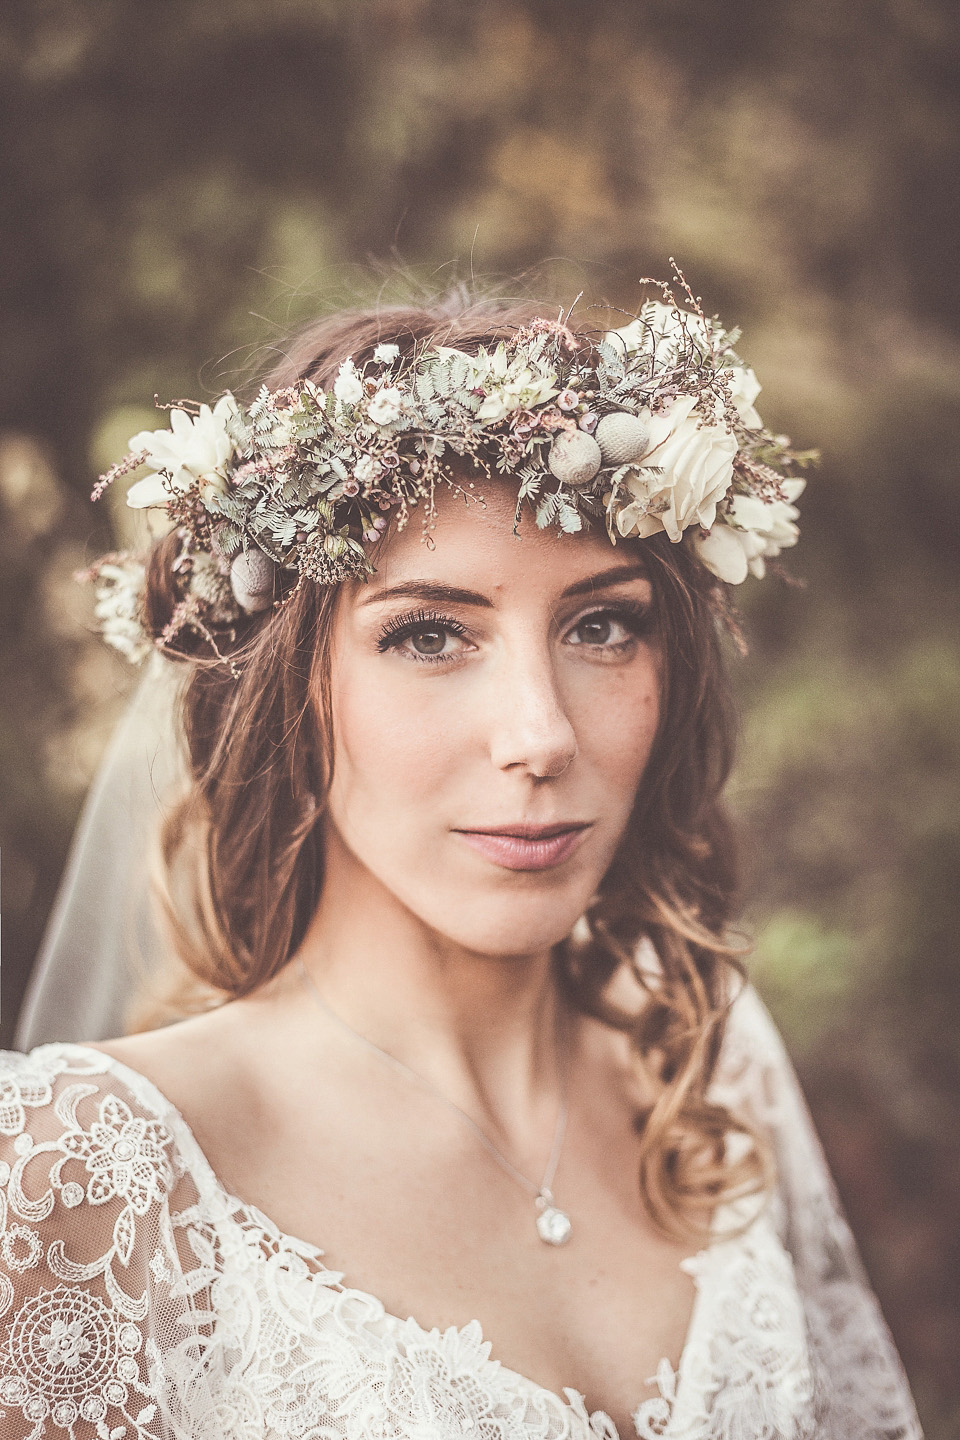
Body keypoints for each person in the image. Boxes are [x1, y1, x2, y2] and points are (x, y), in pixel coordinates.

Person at [0, 286, 922, 1439]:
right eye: (428, 635)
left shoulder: (708, 1064)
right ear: (289, 688)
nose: (540, 736)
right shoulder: (82, 1173)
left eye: (602, 626)